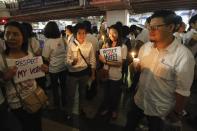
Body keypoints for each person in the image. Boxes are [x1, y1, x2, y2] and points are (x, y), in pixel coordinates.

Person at [125, 10, 195, 131]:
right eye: (149, 26)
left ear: (171, 27)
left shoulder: (183, 56)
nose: (150, 30)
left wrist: (176, 113)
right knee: (129, 126)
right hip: (139, 101)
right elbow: (141, 69)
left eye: (156, 27)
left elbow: (183, 91)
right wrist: (137, 67)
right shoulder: (145, 47)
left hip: (161, 110)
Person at [0, 21, 48, 131]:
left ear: (23, 37)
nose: (11, 37)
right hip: (17, 104)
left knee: (37, 125)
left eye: (15, 34)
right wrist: (6, 77)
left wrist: (43, 69)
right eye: (7, 34)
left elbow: (33, 75)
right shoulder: (2, 59)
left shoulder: (29, 54)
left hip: (35, 97)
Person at [65, 23, 96, 119]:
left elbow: (92, 60)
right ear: (75, 34)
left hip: (84, 73)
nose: (82, 35)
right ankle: (69, 112)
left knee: (83, 93)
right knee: (71, 95)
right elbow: (66, 60)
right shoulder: (70, 45)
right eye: (79, 33)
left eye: (84, 33)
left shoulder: (89, 45)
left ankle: (81, 109)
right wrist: (72, 62)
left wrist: (93, 74)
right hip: (72, 74)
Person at [99, 24, 127, 119]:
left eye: (114, 32)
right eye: (110, 33)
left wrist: (105, 61)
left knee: (114, 95)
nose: (112, 35)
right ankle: (107, 108)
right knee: (106, 94)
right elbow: (101, 58)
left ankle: (114, 110)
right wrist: (102, 52)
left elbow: (120, 63)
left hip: (116, 76)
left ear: (119, 33)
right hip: (106, 73)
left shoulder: (123, 47)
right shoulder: (106, 44)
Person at [42, 21, 67, 108]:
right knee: (64, 87)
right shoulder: (63, 39)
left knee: (55, 88)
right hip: (63, 67)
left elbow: (45, 57)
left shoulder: (48, 42)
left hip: (53, 69)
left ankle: (57, 104)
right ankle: (65, 102)